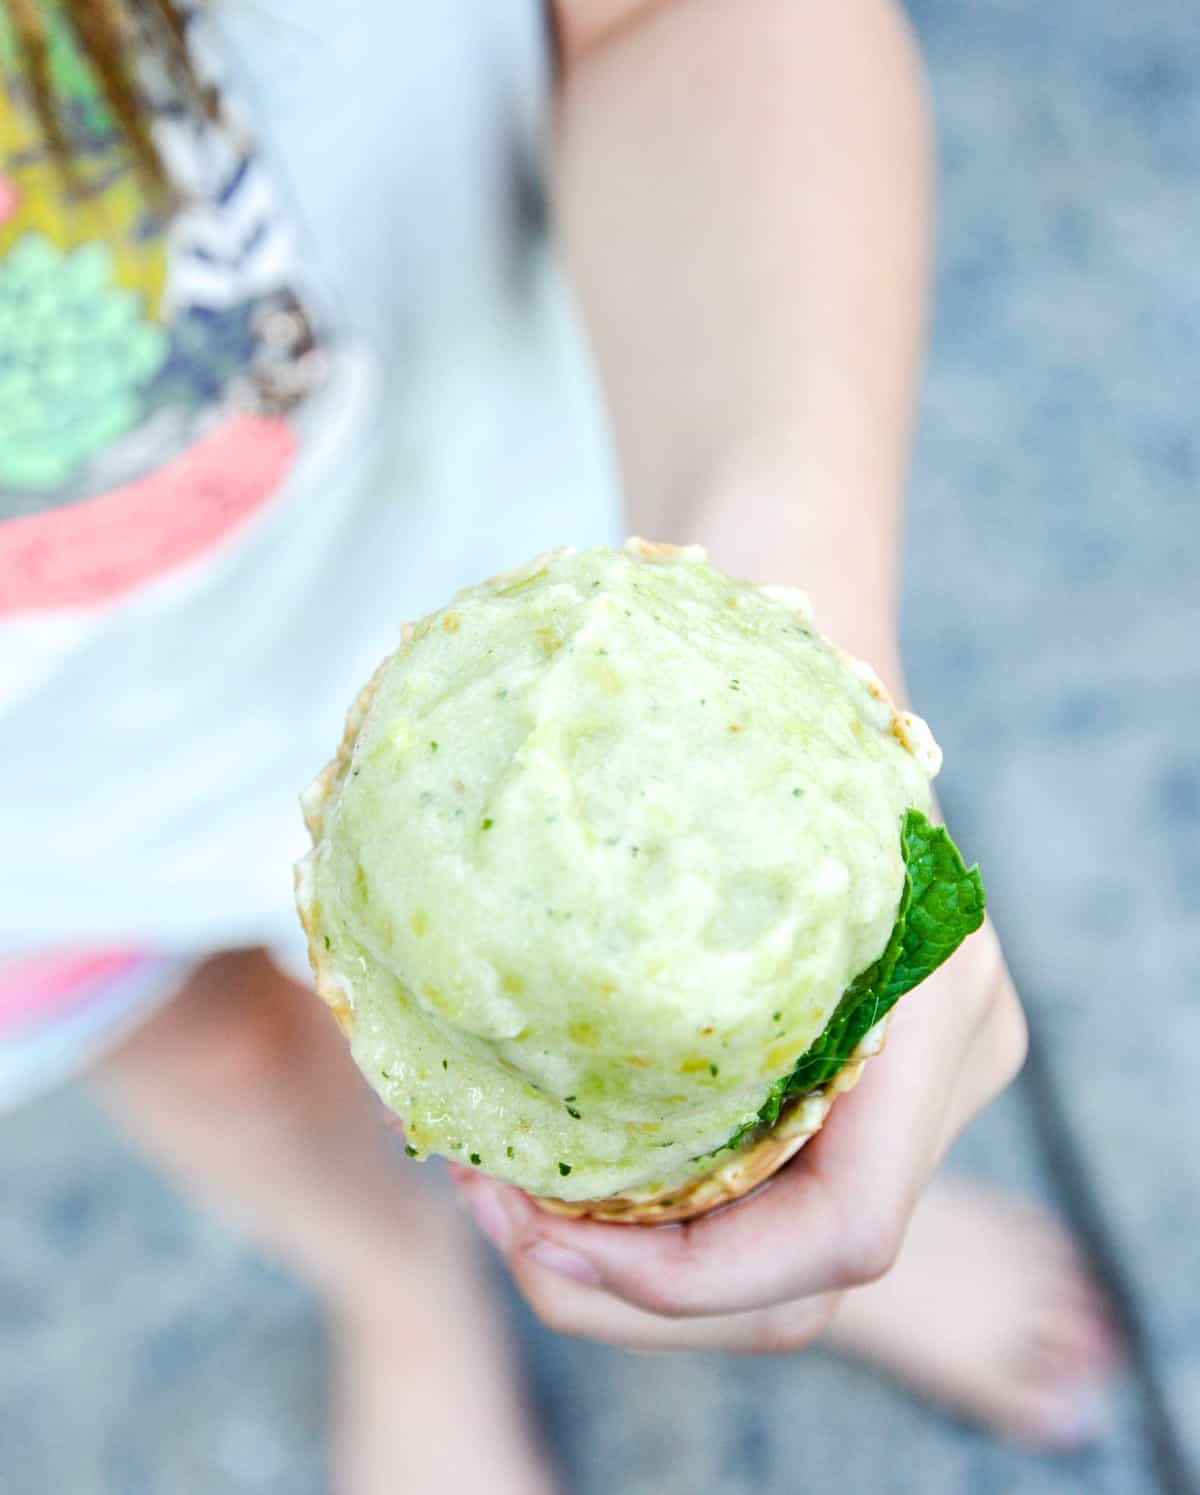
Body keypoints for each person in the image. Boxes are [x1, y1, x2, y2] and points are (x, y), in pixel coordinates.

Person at [0, 2, 1121, 1490]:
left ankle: (778, 1213)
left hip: (551, 652)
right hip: (52, 837)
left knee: (685, 1042)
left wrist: (802, 659)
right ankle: (398, 1289)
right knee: (208, 1063)